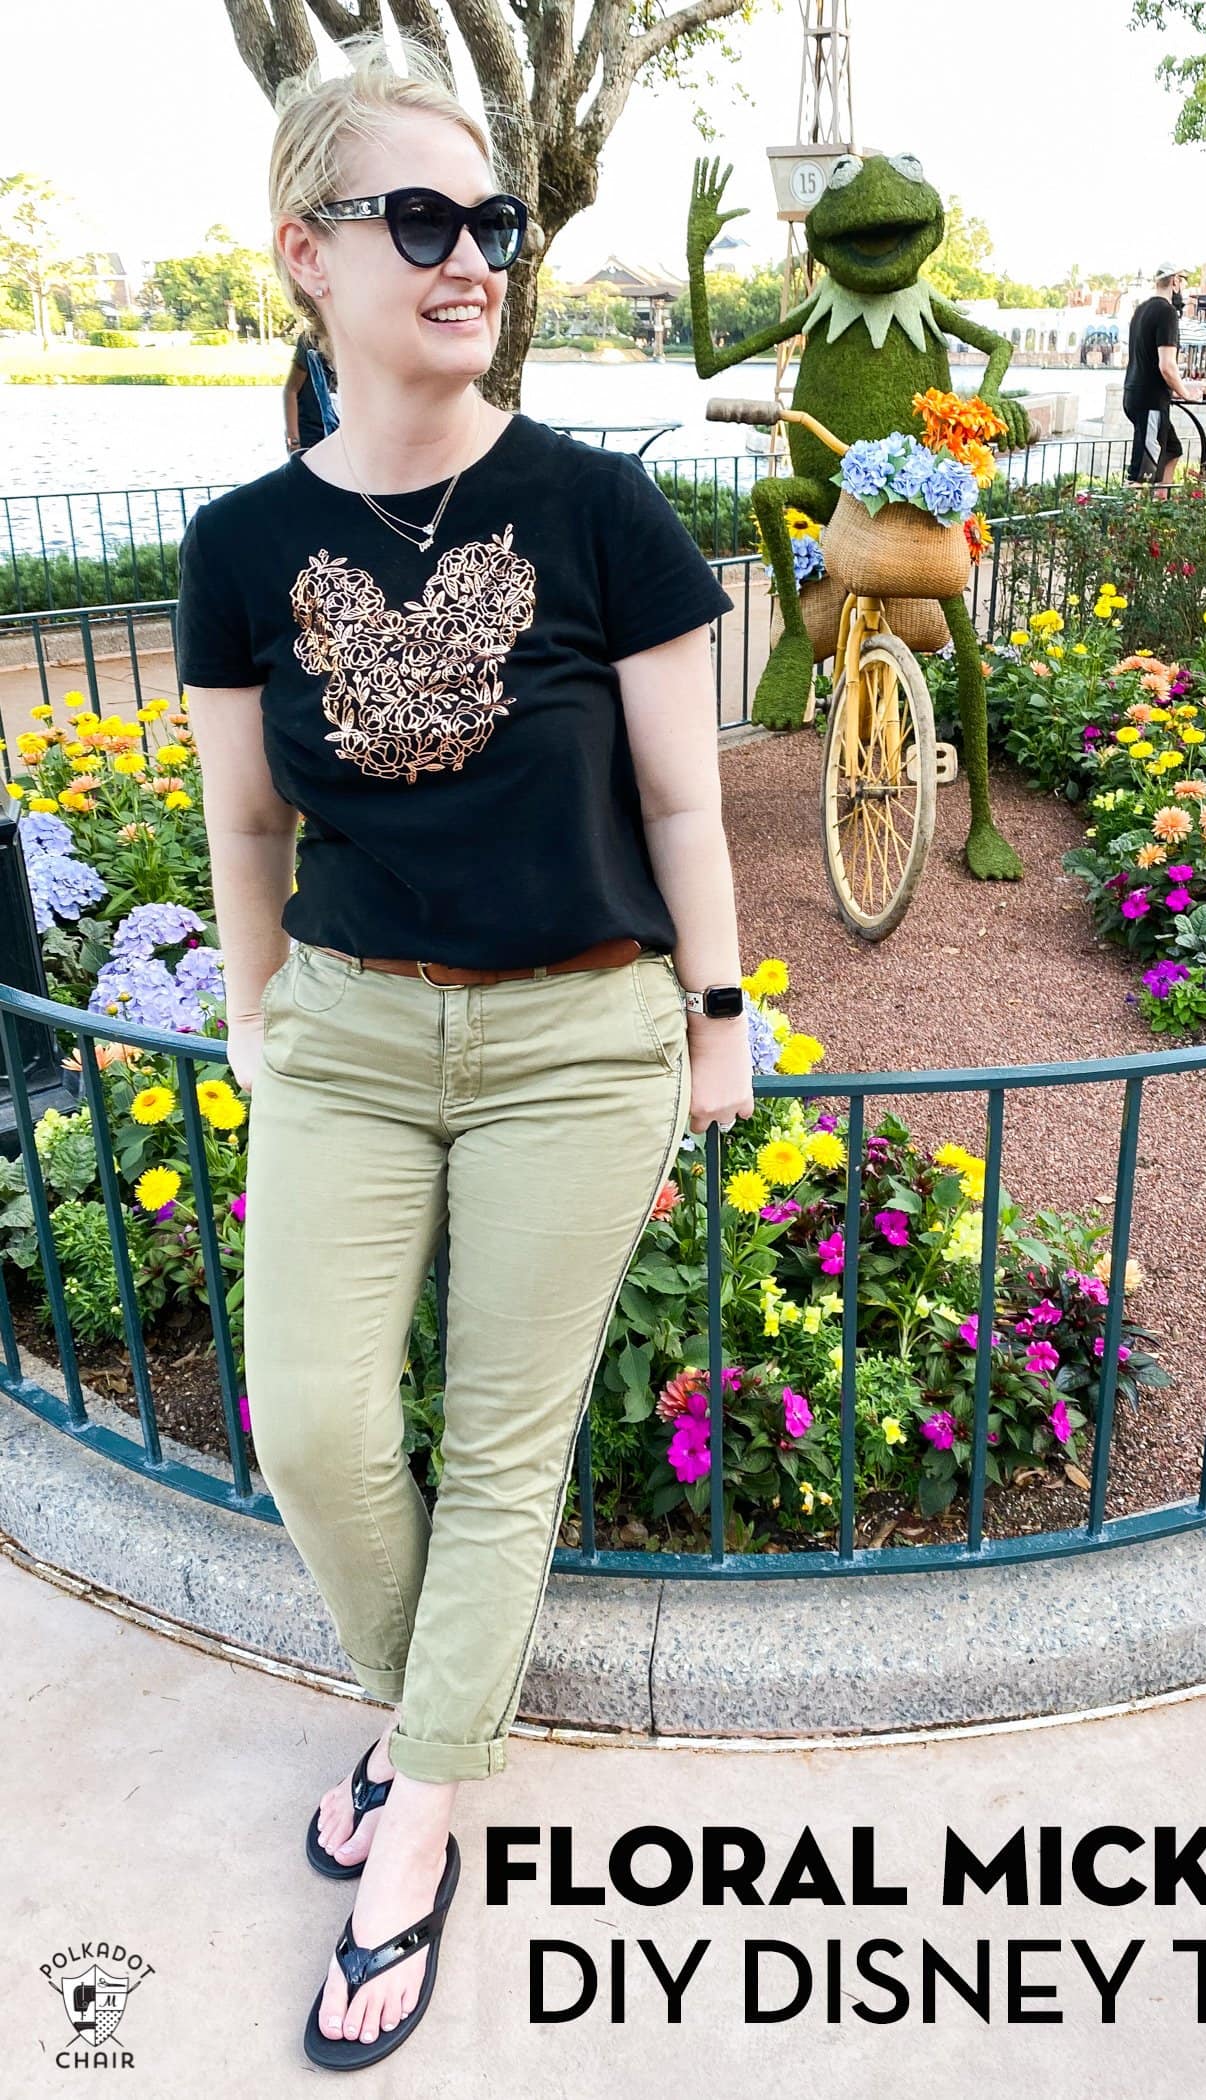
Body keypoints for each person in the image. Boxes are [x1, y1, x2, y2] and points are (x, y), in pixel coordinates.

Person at [174, 32, 754, 2073]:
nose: (468, 255)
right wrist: (254, 1021)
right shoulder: (241, 545)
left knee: (500, 1449)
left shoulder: (596, 512)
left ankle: (415, 1817)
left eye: (489, 220)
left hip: (578, 1038)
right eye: (415, 219)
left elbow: (685, 808)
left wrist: (714, 1016)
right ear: (303, 257)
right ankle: (434, 1715)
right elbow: (248, 827)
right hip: (342, 1028)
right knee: (317, 1424)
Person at [1122, 264, 1202, 487]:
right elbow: (1167, 366)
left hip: (1134, 394)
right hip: (1150, 402)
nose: (1183, 288)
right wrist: (1185, 393)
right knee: (1141, 474)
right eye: (1183, 281)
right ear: (1175, 281)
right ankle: (1128, 518)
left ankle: (1161, 506)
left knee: (1172, 450)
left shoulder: (1141, 309)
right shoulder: (1166, 312)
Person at [283, 327, 339, 454]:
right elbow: (290, 390)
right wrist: (293, 441)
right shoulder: (310, 339)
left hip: (338, 437)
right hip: (309, 436)